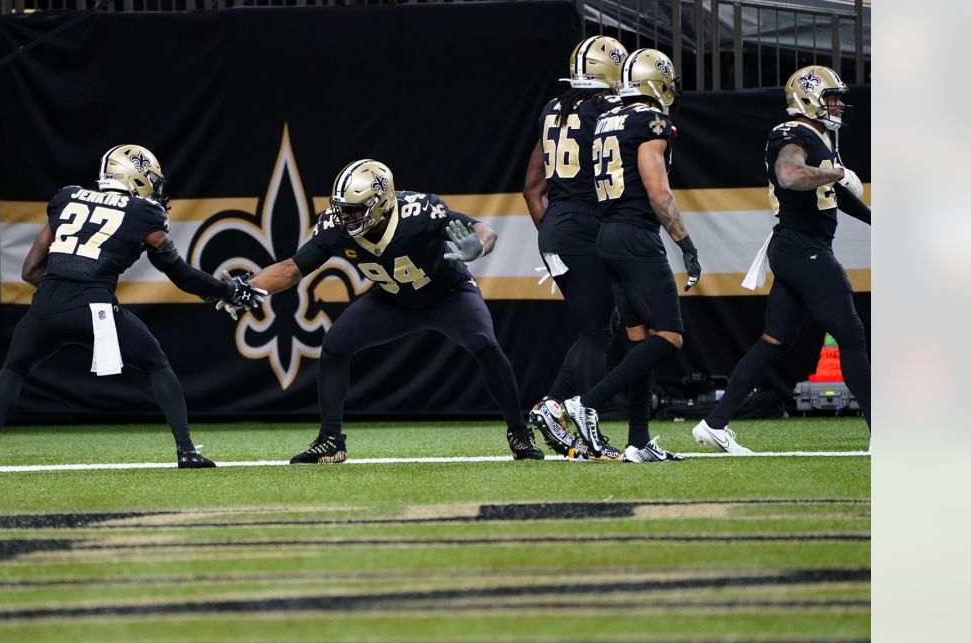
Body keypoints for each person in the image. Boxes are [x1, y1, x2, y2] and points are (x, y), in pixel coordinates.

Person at [0, 145, 266, 474]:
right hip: (95, 308)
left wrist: (60, 294)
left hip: (47, 303)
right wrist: (228, 290)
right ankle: (186, 451)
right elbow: (180, 274)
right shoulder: (145, 214)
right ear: (133, 176)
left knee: (13, 368)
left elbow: (29, 270)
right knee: (155, 362)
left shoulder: (67, 197)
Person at [246, 158, 546, 464]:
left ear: (381, 203)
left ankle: (519, 432)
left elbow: (484, 231)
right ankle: (331, 440)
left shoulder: (419, 212)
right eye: (342, 207)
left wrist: (479, 246)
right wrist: (249, 287)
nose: (345, 216)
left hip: (448, 294)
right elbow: (291, 268)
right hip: (392, 299)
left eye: (355, 208)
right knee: (335, 345)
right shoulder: (335, 228)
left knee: (485, 343)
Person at [693, 65, 870, 453]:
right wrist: (836, 173)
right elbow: (790, 175)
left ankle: (714, 423)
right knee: (852, 335)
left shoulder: (818, 136)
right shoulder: (792, 133)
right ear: (807, 98)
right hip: (802, 249)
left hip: (796, 249)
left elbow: (833, 194)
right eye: (831, 97)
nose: (838, 105)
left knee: (773, 341)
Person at [561, 49, 701, 463]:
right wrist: (686, 245)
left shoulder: (606, 118)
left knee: (641, 339)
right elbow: (658, 192)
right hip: (635, 234)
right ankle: (585, 402)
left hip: (607, 233)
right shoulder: (650, 120)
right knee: (670, 336)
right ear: (652, 82)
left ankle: (638, 441)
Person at [521, 35, 626, 459]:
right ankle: (589, 427)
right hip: (584, 225)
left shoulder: (554, 108)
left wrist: (554, 234)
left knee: (602, 325)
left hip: (561, 226)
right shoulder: (608, 110)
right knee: (598, 331)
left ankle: (551, 404)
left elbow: (532, 188)